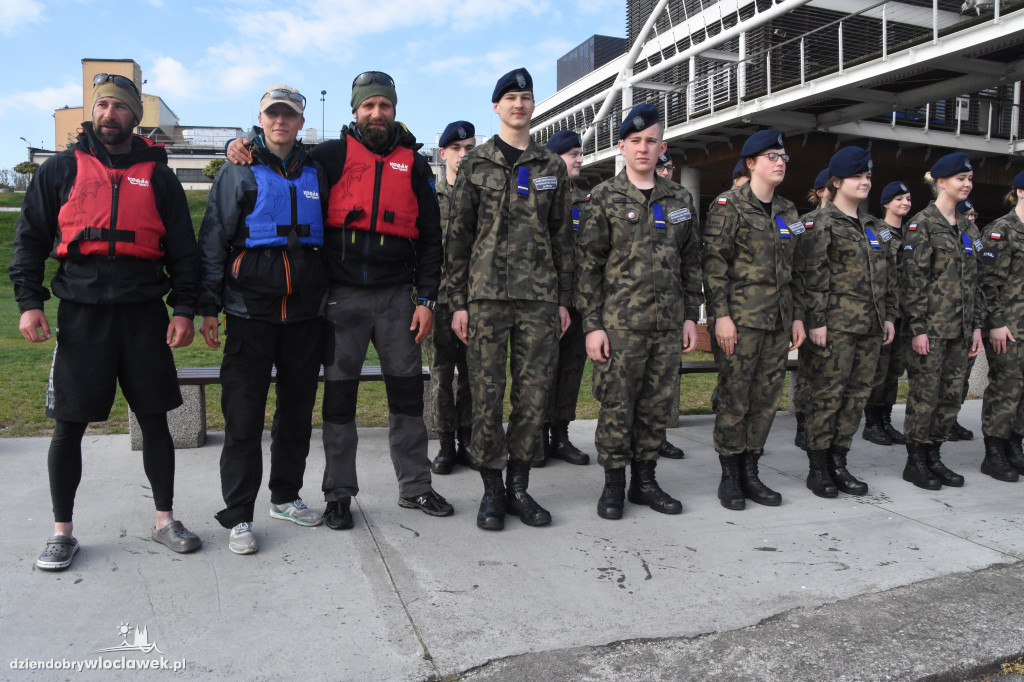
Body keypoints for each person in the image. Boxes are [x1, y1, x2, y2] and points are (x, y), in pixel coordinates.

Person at [226, 71, 452, 528]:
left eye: (384, 105)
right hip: (341, 299)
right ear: (355, 111)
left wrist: (427, 298)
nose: (376, 113)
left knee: (407, 397)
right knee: (339, 401)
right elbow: (280, 149)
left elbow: (431, 238)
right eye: (368, 105)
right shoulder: (328, 156)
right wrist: (243, 141)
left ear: (394, 110)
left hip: (398, 299)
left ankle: (416, 486)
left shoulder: (415, 164)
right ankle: (338, 493)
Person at [9, 73, 202, 570]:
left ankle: (165, 520)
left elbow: (184, 251)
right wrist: (29, 302)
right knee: (68, 426)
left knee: (155, 420)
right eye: (102, 105)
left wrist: (184, 309)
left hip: (144, 316)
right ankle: (62, 532)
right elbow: (29, 240)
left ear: (135, 116)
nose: (108, 113)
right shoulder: (60, 170)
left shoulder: (159, 177)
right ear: (91, 112)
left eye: (119, 106)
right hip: (81, 316)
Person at [199, 85, 329, 555]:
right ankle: (238, 515)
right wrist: (208, 306)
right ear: (260, 119)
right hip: (249, 313)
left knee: (295, 415)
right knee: (243, 418)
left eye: (289, 115)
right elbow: (213, 239)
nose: (281, 121)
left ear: (300, 122)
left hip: (305, 315)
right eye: (272, 114)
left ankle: (286, 497)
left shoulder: (317, 170)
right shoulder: (238, 169)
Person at [447, 67, 573, 531]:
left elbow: (563, 239)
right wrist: (457, 303)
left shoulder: (551, 166)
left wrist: (563, 300)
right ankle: (492, 490)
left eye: (526, 97)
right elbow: (458, 239)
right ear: (496, 106)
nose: (519, 104)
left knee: (533, 394)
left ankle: (519, 486)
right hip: (485, 299)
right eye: (511, 98)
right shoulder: (475, 164)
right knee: (485, 394)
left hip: (539, 299)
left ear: (533, 105)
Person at [576, 103, 702, 520]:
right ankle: (613, 484)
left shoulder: (679, 198)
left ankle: (644, 482)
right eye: (635, 141)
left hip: (667, 325)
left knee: (655, 406)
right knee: (617, 405)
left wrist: (690, 314)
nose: (643, 148)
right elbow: (588, 266)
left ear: (662, 147)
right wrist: (592, 325)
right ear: (622, 147)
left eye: (651, 141)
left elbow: (691, 261)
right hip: (619, 327)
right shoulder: (603, 198)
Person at [702, 130, 806, 511]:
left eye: (783, 157)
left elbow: (796, 270)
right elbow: (714, 266)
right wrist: (721, 316)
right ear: (751, 163)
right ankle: (730, 475)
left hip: (778, 323)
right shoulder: (728, 205)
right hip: (740, 323)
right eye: (771, 157)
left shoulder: (788, 211)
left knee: (766, 400)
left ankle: (751, 470)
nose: (780, 163)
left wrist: (797, 317)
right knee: (735, 398)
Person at [795, 147, 897, 498]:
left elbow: (888, 278)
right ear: (836, 182)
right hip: (834, 328)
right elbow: (811, 276)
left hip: (870, 328)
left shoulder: (875, 227)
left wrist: (889, 316)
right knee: (827, 396)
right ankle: (818, 467)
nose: (865, 182)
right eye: (857, 176)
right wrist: (816, 320)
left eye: (868, 176)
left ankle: (839, 461)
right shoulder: (819, 223)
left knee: (855, 397)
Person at [900, 152, 983, 489]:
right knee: (925, 396)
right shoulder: (922, 224)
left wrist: (976, 326)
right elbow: (913, 281)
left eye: (970, 179)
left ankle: (934, 455)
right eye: (961, 179)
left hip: (961, 330)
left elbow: (977, 282)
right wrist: (918, 328)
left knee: (951, 396)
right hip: (931, 330)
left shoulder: (968, 227)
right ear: (941, 182)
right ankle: (916, 461)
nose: (967, 184)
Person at [429, 120, 477, 475]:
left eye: (469, 149)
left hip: (476, 300)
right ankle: (446, 444)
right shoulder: (428, 197)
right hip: (438, 300)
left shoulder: (484, 197)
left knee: (474, 375)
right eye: (456, 149)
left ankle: (468, 442)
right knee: (441, 376)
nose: (463, 155)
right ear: (442, 153)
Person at [541, 130, 590, 466]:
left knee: (571, 370)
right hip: (544, 301)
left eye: (580, 153)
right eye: (573, 154)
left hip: (578, 301)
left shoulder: (586, 202)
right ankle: (537, 435)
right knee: (541, 370)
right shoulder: (538, 198)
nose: (579, 160)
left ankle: (560, 435)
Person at [977, 170, 1024, 482]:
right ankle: (994, 451)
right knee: (1006, 386)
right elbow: (987, 281)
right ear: (1020, 192)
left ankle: (1014, 444)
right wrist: (995, 323)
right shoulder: (1001, 231)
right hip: (1008, 325)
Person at [862, 181, 913, 446]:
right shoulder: (877, 232)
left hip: (906, 313)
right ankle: (872, 423)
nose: (905, 203)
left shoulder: (913, 234)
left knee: (894, 370)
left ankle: (885, 420)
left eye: (908, 199)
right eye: (899, 199)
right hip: (884, 312)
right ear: (886, 203)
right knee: (878, 370)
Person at [793, 168, 831, 451]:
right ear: (819, 192)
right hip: (812, 313)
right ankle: (803, 425)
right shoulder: (807, 224)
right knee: (811, 375)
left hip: (843, 316)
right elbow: (801, 272)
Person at [947, 198, 980, 442]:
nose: (971, 219)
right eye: (967, 215)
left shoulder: (973, 236)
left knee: (962, 378)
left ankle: (952, 418)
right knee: (946, 378)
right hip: (945, 319)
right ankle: (942, 423)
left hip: (969, 319)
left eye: (973, 215)